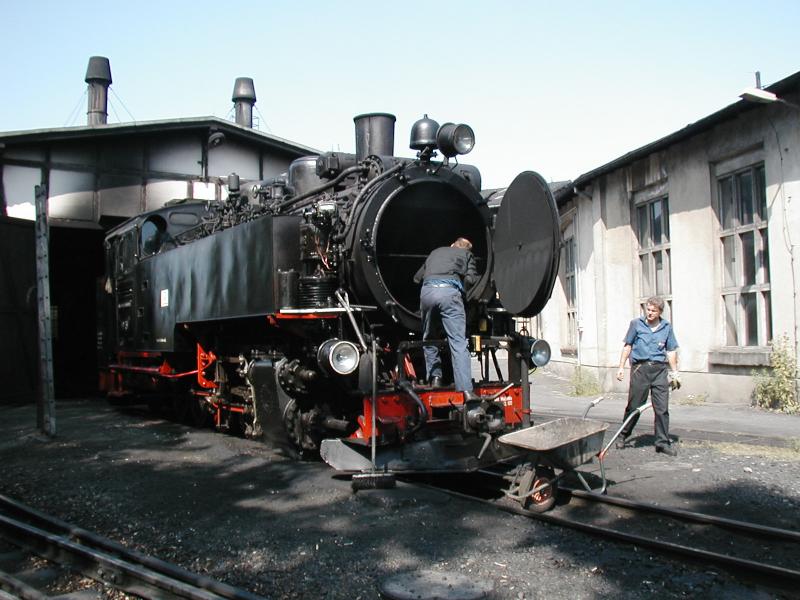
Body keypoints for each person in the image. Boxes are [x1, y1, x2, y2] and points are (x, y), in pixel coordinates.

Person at [615, 296, 681, 456]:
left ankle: (662, 443)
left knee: (662, 409)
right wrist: (621, 367)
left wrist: (674, 373)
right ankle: (623, 436)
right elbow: (627, 346)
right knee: (634, 406)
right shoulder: (636, 324)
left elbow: (671, 351)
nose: (650, 313)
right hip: (640, 369)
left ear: (660, 312)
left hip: (659, 370)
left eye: (653, 311)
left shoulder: (666, 327)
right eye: (648, 309)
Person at [413, 237, 478, 396]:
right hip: (450, 293)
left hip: (427, 293)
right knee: (458, 342)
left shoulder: (436, 252)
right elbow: (471, 279)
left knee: (429, 337)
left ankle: (435, 377)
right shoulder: (467, 255)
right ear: (467, 250)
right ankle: (466, 390)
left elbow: (416, 278)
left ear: (452, 245)